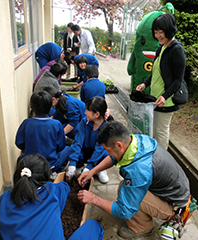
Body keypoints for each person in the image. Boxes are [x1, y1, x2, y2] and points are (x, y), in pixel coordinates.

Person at [77, 121, 190, 239]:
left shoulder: (139, 170)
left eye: (108, 150)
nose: (107, 153)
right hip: (175, 191)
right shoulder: (135, 142)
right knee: (126, 188)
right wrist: (91, 172)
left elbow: (124, 211)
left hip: (176, 205)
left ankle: (143, 227)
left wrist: (93, 199)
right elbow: (113, 158)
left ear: (119, 145)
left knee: (127, 195)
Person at [0, 154, 104, 240]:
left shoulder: (4, 199)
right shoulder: (52, 192)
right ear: (46, 179)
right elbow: (65, 187)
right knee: (94, 227)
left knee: (2, 233)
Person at [136, 13, 186, 150]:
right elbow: (155, 72)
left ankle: (162, 159)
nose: (158, 35)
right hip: (155, 98)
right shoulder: (161, 47)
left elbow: (178, 80)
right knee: (154, 129)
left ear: (169, 30)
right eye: (156, 32)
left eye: (161, 32)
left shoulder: (177, 50)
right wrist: (145, 84)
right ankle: (155, 155)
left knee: (161, 131)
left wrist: (165, 96)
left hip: (166, 100)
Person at [61, 97, 113, 184]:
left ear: (96, 114)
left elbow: (99, 149)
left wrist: (89, 167)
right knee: (74, 150)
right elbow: (78, 141)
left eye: (87, 110)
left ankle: (99, 169)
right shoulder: (84, 122)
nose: (85, 112)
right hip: (86, 151)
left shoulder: (106, 128)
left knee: (106, 154)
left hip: (98, 155)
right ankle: (79, 166)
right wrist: (72, 163)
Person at [15, 91, 67, 173]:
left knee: (20, 159)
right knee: (68, 149)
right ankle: (56, 171)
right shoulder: (56, 124)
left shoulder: (26, 123)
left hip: (31, 165)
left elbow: (19, 144)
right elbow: (61, 146)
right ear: (50, 107)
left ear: (31, 107)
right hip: (51, 165)